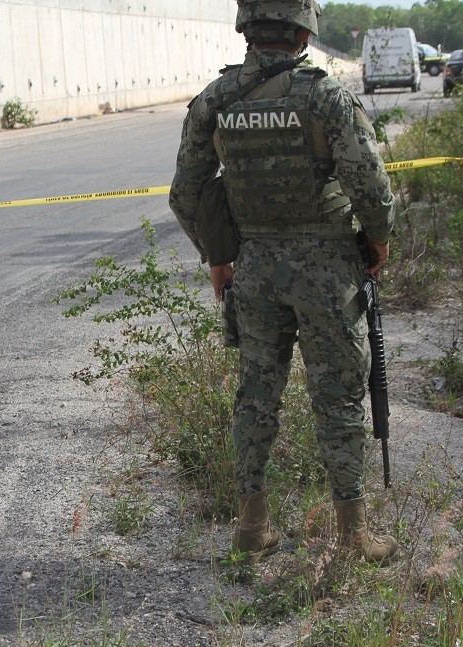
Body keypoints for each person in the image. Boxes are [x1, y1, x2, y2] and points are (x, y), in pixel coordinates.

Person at [168, 0, 398, 565]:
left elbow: (185, 195)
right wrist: (380, 239)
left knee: (256, 397)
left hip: (254, 269)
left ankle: (252, 527)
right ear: (303, 30)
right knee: (339, 397)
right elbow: (369, 186)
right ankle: (352, 536)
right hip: (326, 272)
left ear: (246, 27)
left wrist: (217, 257)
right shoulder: (324, 96)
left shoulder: (214, 102)